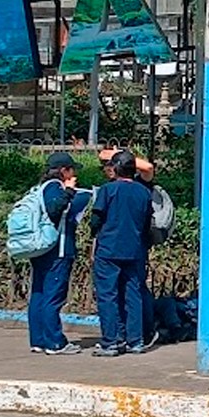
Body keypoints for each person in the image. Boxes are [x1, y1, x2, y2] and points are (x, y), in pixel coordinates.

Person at [88, 149, 155, 357]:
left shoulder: (108, 190)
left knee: (107, 295)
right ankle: (136, 341)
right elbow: (147, 222)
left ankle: (111, 341)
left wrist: (93, 238)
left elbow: (96, 220)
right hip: (135, 249)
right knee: (133, 294)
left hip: (109, 249)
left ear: (116, 169)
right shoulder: (143, 192)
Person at [26, 152, 90, 355]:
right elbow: (55, 210)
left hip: (42, 250)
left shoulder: (40, 188)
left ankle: (38, 339)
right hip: (57, 250)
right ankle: (54, 342)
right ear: (63, 171)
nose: (74, 174)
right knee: (53, 296)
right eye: (71, 170)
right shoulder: (55, 188)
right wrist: (70, 191)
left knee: (39, 293)